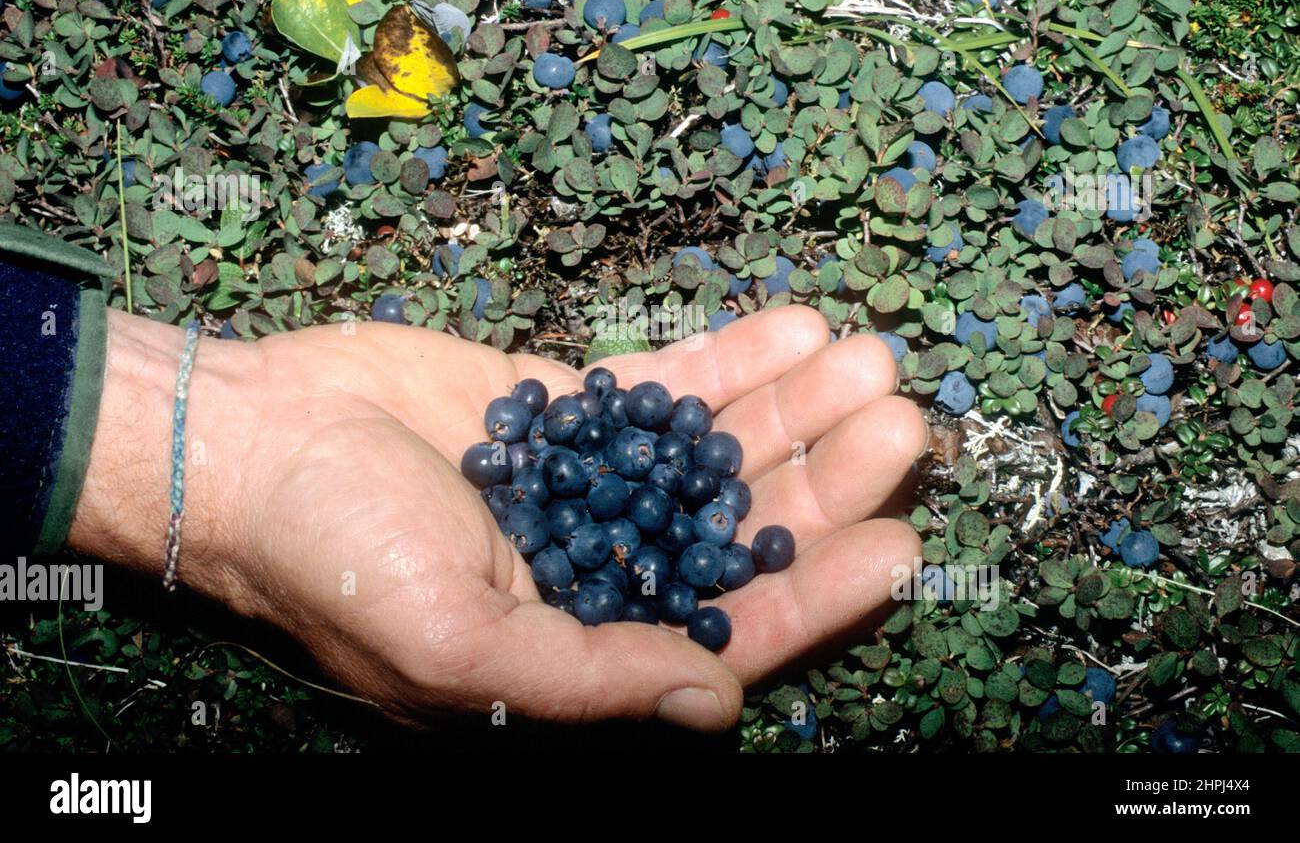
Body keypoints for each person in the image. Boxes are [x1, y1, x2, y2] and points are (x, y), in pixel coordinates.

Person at [2, 225, 927, 731]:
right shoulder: (581, 487)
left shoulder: (645, 503)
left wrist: (194, 420)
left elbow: (651, 506)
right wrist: (239, 451)